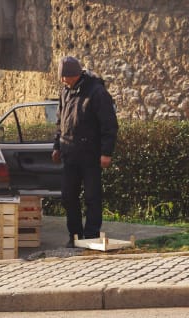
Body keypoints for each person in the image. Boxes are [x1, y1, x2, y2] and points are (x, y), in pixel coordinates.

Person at [52, 56, 118, 248]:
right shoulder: (65, 92)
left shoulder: (97, 92)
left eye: (66, 77)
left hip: (90, 155)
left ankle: (90, 235)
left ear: (76, 75)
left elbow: (109, 125)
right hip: (69, 155)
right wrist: (56, 146)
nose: (64, 81)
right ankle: (75, 235)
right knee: (68, 196)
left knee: (92, 197)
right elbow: (60, 123)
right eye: (62, 78)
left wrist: (106, 152)